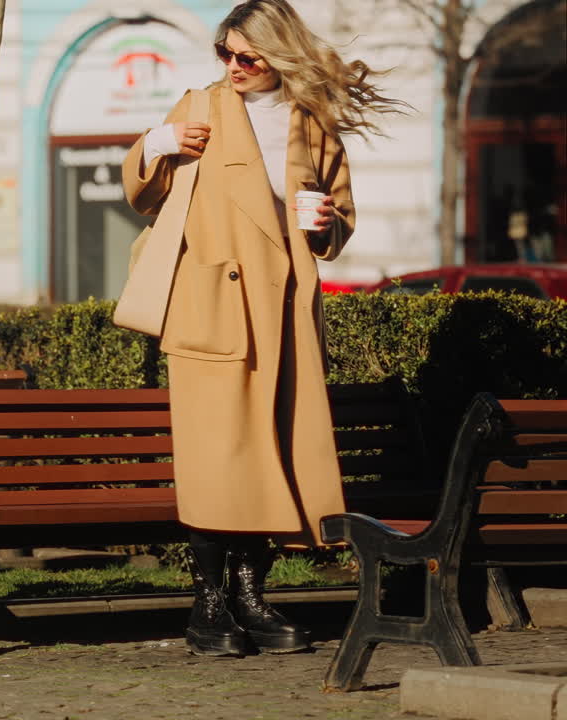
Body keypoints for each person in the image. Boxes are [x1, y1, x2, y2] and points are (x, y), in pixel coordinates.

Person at [121, 0, 405, 657]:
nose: (234, 66)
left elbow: (337, 221)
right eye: (225, 52)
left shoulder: (311, 123)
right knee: (217, 460)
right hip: (212, 307)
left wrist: (323, 224)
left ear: (279, 54)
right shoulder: (201, 106)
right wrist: (158, 143)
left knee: (273, 454)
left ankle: (251, 597)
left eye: (248, 56)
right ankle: (209, 604)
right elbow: (144, 193)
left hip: (283, 313)